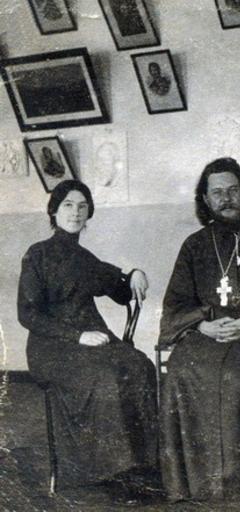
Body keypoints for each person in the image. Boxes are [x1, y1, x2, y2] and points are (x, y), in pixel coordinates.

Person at [158, 158, 240, 501]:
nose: (226, 198)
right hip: (205, 330)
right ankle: (189, 481)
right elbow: (176, 301)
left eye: (233, 190)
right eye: (217, 192)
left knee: (235, 376)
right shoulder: (194, 245)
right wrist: (203, 325)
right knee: (180, 371)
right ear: (205, 199)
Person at [17, 180, 158, 504]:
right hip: (50, 349)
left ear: (89, 213)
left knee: (140, 366)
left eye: (82, 206)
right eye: (68, 205)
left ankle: (146, 467)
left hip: (90, 342)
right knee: (105, 377)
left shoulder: (84, 258)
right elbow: (27, 314)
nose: (76, 212)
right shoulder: (37, 255)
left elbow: (120, 290)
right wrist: (77, 336)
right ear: (54, 211)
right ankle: (117, 474)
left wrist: (134, 273)